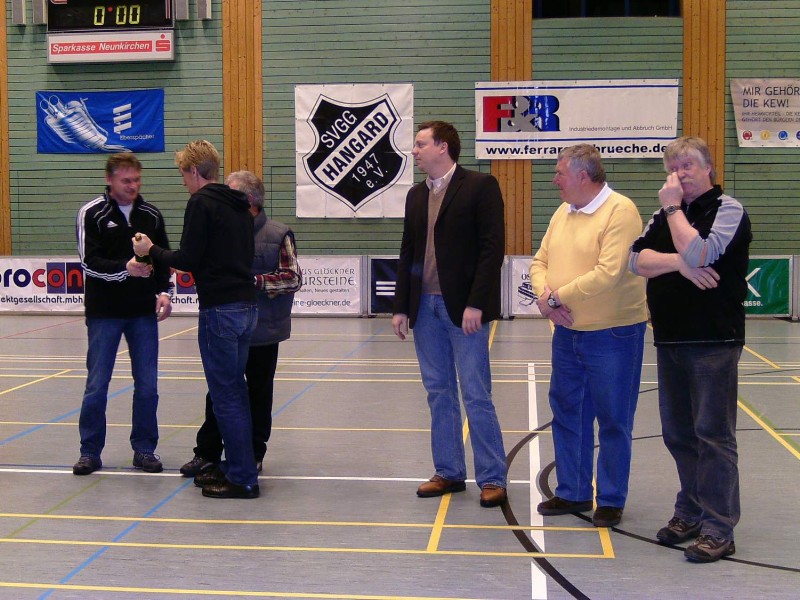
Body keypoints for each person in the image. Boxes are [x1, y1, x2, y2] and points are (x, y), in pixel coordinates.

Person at [629, 136, 752, 563]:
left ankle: (719, 527)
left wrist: (674, 214)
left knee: (713, 436)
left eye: (688, 166)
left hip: (714, 340)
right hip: (670, 338)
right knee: (679, 434)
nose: (679, 174)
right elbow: (635, 260)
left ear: (708, 169)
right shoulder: (663, 215)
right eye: (674, 167)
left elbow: (701, 252)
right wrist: (678, 263)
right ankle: (692, 510)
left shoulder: (728, 209)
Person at [133, 140, 260, 499]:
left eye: (183, 174)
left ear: (193, 171)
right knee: (236, 392)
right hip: (246, 307)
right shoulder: (239, 205)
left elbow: (187, 259)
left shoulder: (201, 202)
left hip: (220, 308)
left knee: (226, 396)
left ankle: (242, 478)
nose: (183, 182)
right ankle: (239, 466)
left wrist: (150, 250)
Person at [530, 144, 647, 528]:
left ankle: (611, 498)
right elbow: (539, 262)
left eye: (560, 173)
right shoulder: (563, 212)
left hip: (612, 334)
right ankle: (573, 491)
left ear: (583, 176)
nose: (555, 180)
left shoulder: (621, 211)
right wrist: (546, 298)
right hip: (566, 333)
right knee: (567, 413)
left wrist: (556, 297)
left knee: (614, 418)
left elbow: (608, 273)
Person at [392, 120, 508, 508]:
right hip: (424, 308)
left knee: (475, 392)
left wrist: (477, 302)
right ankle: (449, 471)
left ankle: (492, 477)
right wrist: (401, 305)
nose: (414, 150)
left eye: (421, 144)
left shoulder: (480, 186)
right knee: (438, 391)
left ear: (443, 147)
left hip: (464, 309)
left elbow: (492, 249)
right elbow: (408, 252)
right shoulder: (415, 195)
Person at [180, 170, 302, 480]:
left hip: (263, 331)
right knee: (219, 393)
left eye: (230, 193)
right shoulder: (223, 228)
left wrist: (253, 281)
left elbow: (292, 278)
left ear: (248, 200)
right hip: (229, 326)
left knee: (258, 395)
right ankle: (207, 453)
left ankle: (253, 454)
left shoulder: (278, 233)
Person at [73, 152, 172, 476]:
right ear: (109, 180)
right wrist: (125, 269)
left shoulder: (151, 215)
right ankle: (89, 451)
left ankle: (144, 449)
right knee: (97, 385)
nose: (133, 186)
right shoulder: (91, 213)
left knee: (148, 385)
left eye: (137, 180)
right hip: (104, 313)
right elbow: (89, 262)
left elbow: (162, 258)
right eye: (126, 180)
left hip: (142, 313)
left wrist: (164, 292)